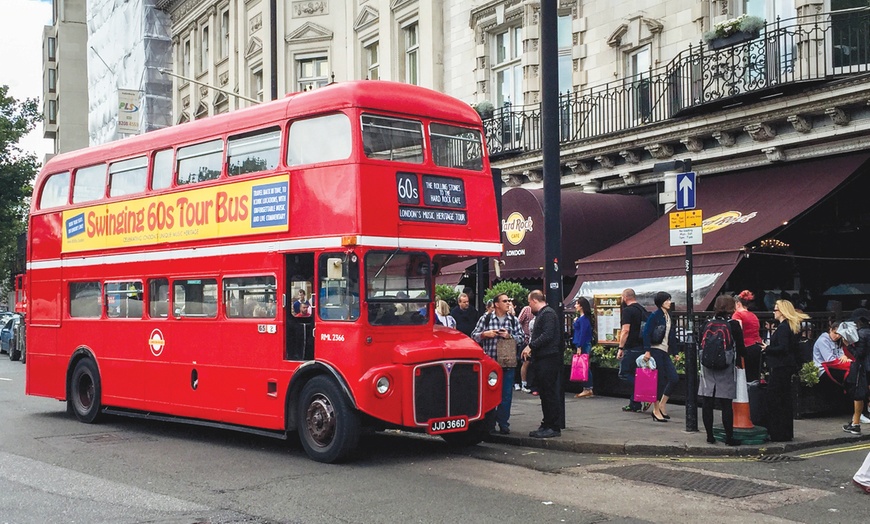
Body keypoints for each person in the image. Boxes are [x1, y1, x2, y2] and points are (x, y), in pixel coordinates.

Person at [471, 293, 524, 435]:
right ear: (496, 304)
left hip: (508, 363)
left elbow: (522, 338)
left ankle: (503, 423)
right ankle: (490, 423)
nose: (508, 303)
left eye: (508, 301)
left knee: (506, 395)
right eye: (505, 301)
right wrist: (485, 334)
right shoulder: (486, 318)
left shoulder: (513, 320)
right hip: (491, 365)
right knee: (490, 394)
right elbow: (474, 335)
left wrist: (509, 336)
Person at [698, 295, 746, 445]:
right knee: (726, 404)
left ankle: (709, 436)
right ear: (731, 307)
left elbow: (700, 343)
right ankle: (729, 438)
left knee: (707, 402)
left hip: (707, 367)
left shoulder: (706, 323)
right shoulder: (733, 325)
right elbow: (741, 348)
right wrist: (738, 361)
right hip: (726, 365)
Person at [762, 299, 809, 442]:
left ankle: (777, 433)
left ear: (782, 311)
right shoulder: (791, 326)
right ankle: (786, 432)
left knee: (775, 400)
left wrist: (767, 348)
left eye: (775, 309)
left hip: (780, 367)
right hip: (787, 367)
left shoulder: (783, 327)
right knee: (785, 400)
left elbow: (783, 348)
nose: (773, 312)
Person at [520, 290, 563, 438]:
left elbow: (547, 335)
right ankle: (547, 423)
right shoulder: (544, 314)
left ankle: (553, 426)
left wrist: (531, 346)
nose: (529, 305)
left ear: (534, 300)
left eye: (529, 302)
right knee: (545, 393)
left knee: (549, 393)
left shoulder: (548, 314)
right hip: (543, 358)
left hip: (548, 358)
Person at [641, 291, 680, 422]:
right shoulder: (655, 316)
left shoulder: (668, 316)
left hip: (664, 351)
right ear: (661, 302)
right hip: (655, 350)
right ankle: (656, 409)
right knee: (659, 381)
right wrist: (647, 350)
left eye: (669, 299)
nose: (670, 302)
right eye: (667, 300)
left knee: (674, 378)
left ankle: (662, 404)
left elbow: (672, 336)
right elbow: (646, 333)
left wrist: (675, 352)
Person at [617, 288, 648, 413]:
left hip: (631, 346)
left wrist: (620, 347)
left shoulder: (627, 311)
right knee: (637, 373)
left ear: (625, 297)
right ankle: (634, 403)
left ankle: (644, 391)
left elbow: (625, 330)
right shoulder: (642, 309)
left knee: (624, 373)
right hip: (642, 346)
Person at [844, 308, 870, 435]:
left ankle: (855, 424)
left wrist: (848, 345)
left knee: (858, 395)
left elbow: (859, 354)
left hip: (862, 368)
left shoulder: (861, 334)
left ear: (860, 321)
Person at [733, 290, 764, 383]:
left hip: (745, 348)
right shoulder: (753, 315)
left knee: (744, 379)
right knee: (754, 378)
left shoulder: (737, 314)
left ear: (738, 304)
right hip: (757, 347)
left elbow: (738, 331)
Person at [573, 297, 595, 399]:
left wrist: (579, 346)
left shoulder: (583, 319)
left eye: (577, 304)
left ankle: (587, 388)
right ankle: (587, 388)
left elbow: (582, 333)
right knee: (585, 365)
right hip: (584, 343)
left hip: (583, 344)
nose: (575, 306)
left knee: (585, 366)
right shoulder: (583, 318)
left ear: (581, 306)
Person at [516, 304, 534, 393]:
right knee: (525, 362)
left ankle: (530, 383)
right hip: (526, 340)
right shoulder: (527, 309)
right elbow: (518, 322)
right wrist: (522, 334)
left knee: (530, 362)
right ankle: (523, 383)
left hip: (534, 341)